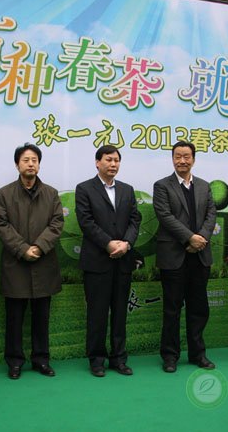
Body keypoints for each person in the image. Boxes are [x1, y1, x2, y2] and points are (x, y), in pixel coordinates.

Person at [0, 144, 64, 379]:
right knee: (14, 318)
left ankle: (41, 360)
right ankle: (14, 362)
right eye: (26, 160)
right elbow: (1, 224)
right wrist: (23, 249)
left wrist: (39, 246)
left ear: (39, 165)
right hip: (16, 265)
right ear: (17, 165)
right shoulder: (4, 194)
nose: (30, 164)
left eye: (34, 160)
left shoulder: (51, 193)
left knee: (41, 317)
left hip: (44, 264)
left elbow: (57, 223)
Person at [75, 145, 141, 377]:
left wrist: (126, 243)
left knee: (120, 313)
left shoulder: (127, 190)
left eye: (116, 160)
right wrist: (109, 243)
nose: (113, 164)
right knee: (97, 313)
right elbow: (86, 222)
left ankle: (119, 359)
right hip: (97, 262)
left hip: (123, 262)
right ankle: (96, 360)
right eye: (108, 160)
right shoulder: (84, 189)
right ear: (97, 162)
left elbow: (135, 220)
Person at [153, 141, 216, 373]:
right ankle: (170, 356)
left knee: (199, 308)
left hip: (200, 256)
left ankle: (198, 354)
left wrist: (201, 239)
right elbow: (165, 216)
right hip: (174, 256)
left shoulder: (204, 186)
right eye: (178, 156)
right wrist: (190, 238)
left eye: (186, 156)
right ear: (172, 159)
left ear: (193, 159)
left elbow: (211, 214)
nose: (182, 161)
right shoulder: (162, 186)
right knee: (172, 309)